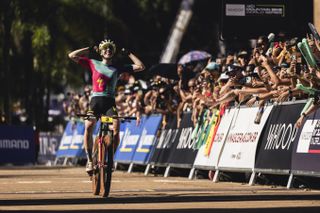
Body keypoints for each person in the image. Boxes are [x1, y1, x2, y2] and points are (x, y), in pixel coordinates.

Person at [68, 39, 145, 174]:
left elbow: (141, 66)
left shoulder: (118, 67)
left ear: (113, 52)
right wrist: (89, 49)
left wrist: (129, 54)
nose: (108, 50)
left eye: (110, 49)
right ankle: (90, 160)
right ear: (101, 52)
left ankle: (110, 159)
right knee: (89, 125)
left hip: (109, 103)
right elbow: (72, 55)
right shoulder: (93, 63)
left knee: (116, 127)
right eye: (105, 49)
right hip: (95, 101)